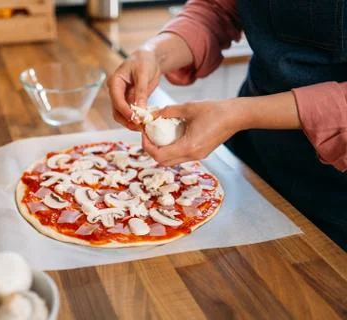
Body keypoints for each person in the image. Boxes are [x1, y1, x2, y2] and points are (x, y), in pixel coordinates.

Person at [107, 0, 347, 250]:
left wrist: (239, 114)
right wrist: (153, 53)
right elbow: (220, 9)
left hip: (336, 197)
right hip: (251, 162)